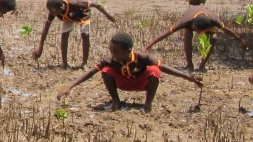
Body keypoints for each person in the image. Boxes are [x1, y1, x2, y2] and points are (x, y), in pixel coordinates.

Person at [57, 32, 202, 112]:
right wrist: (70, 86)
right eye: (111, 51)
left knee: (155, 70)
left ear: (128, 51)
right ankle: (116, 102)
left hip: (141, 83)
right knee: (106, 70)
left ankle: (147, 104)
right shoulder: (110, 60)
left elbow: (164, 68)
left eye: (116, 52)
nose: (113, 55)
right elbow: (90, 72)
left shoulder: (142, 57)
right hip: (123, 83)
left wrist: (189, 77)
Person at [143, 2, 248, 71]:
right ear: (194, 27)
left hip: (206, 20)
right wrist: (148, 46)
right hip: (191, 16)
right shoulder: (185, 22)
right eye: (198, 31)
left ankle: (202, 65)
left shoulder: (213, 20)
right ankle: (189, 65)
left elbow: (227, 30)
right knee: (188, 36)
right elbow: (165, 34)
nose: (199, 34)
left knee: (213, 38)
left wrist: (240, 40)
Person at [32, 0, 117, 68]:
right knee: (64, 36)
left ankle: (84, 64)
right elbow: (46, 28)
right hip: (68, 17)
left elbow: (95, 5)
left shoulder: (75, 4)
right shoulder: (53, 10)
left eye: (54, 12)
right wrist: (40, 47)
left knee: (85, 35)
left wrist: (108, 16)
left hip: (83, 14)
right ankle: (65, 64)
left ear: (61, 8)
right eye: (50, 11)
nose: (52, 14)